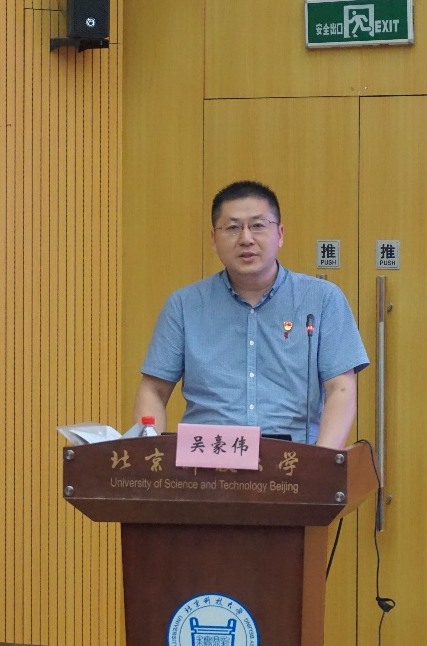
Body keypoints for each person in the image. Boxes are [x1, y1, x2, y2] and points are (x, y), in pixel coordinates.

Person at [133, 181, 369, 449]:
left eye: (258, 225)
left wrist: (321, 461)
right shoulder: (184, 305)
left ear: (280, 234)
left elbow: (340, 388)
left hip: (292, 459)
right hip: (206, 458)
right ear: (214, 239)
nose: (246, 238)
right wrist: (149, 455)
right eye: (232, 227)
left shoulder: (322, 299)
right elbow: (153, 389)